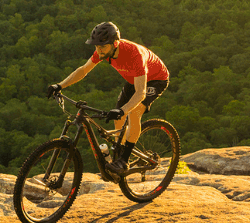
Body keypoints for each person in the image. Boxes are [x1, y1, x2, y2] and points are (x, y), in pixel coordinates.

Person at [47, 21, 169, 176]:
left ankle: (124, 160)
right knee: (118, 121)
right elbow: (83, 70)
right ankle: (119, 153)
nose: (99, 50)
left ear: (115, 44)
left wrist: (123, 109)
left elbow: (141, 93)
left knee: (133, 112)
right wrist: (60, 85)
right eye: (96, 46)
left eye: (102, 46)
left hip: (156, 78)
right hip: (133, 78)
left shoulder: (135, 55)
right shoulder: (102, 52)